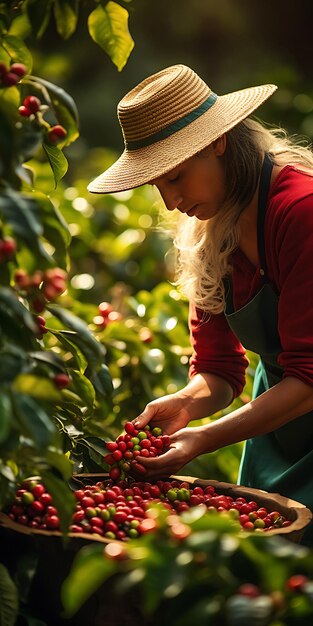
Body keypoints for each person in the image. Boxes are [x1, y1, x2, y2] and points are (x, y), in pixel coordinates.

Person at [88, 64, 313, 544]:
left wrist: (207, 438)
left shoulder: (302, 212)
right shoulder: (213, 235)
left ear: (218, 142)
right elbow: (219, 370)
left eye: (176, 178)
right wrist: (184, 406)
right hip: (275, 429)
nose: (170, 203)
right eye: (158, 187)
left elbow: (311, 378)